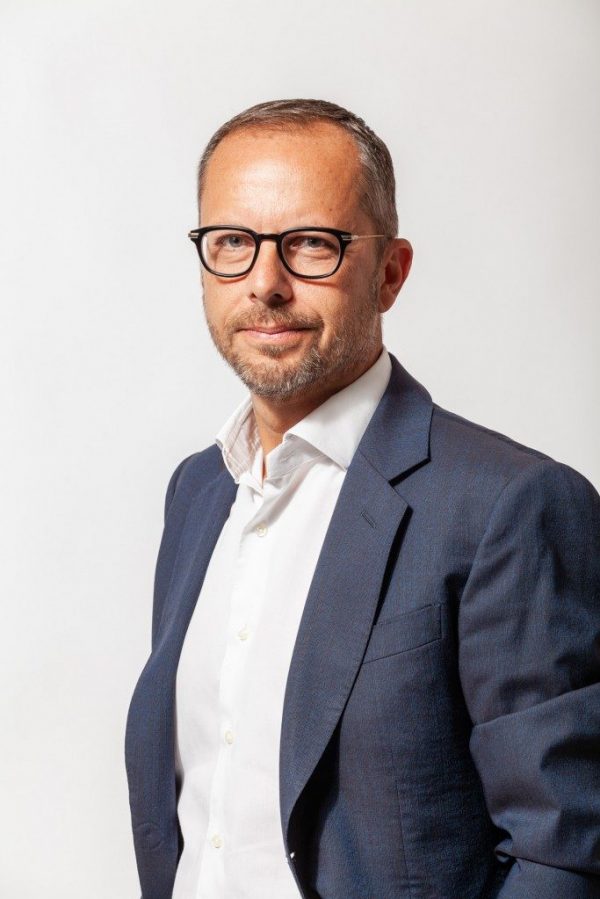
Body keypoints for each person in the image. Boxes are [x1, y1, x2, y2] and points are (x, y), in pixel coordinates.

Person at [124, 99, 600, 899]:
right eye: (233, 242)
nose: (265, 284)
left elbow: (566, 854)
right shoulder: (199, 492)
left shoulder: (509, 507)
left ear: (390, 272)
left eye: (311, 243)